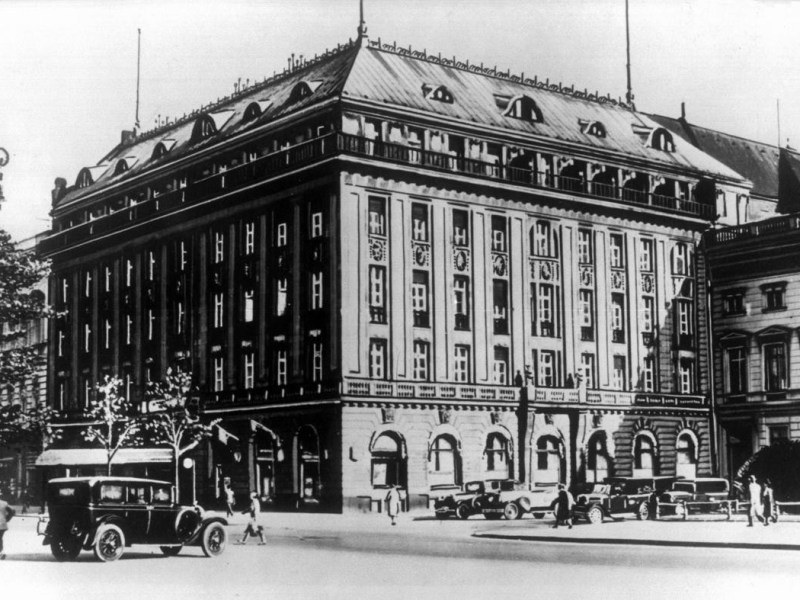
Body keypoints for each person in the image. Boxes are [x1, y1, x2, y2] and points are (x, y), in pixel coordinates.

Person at [0, 491, 15, 560]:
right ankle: (1, 553)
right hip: (2, 524)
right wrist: (7, 519)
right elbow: (12, 511)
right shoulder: (4, 503)